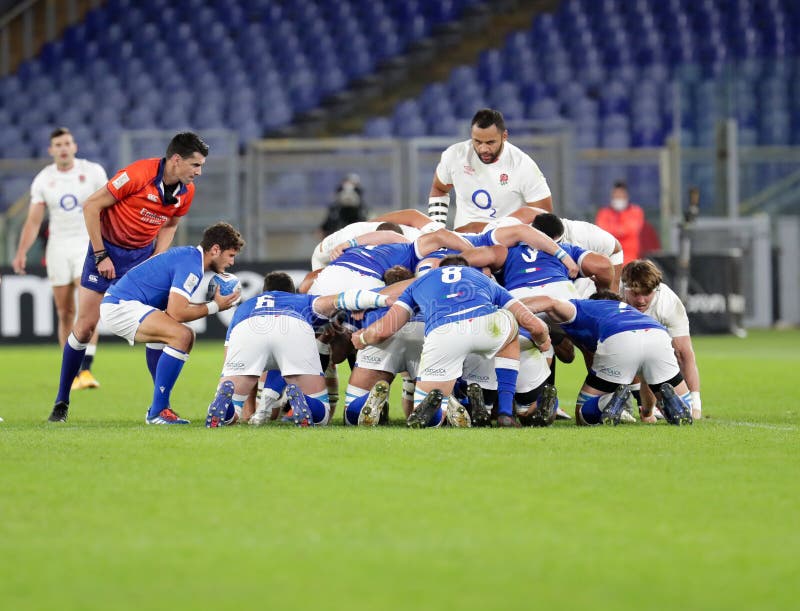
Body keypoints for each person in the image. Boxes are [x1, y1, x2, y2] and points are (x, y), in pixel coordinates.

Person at [47, 131, 210, 422]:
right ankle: (62, 401)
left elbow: (170, 224)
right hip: (106, 252)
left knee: (161, 328)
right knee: (85, 327)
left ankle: (160, 406)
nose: (199, 172)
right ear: (176, 160)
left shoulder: (187, 191)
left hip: (141, 258)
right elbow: (92, 206)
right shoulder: (137, 174)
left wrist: (155, 260)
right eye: (195, 165)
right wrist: (100, 255)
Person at [353, 255, 552, 428]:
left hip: (443, 333)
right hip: (487, 325)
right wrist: (543, 341)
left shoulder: (419, 282)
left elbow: (385, 329)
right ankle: (505, 412)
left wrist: (362, 338)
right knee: (510, 325)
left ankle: (438, 406)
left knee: (425, 412)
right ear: (466, 269)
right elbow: (535, 325)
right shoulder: (483, 279)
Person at [204, 271, 393, 428]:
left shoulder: (244, 307)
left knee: (234, 407)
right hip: (292, 326)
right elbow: (344, 299)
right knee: (321, 415)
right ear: (293, 291)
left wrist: (232, 375)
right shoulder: (302, 300)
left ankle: (226, 404)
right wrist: (385, 300)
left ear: (263, 291)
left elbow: (228, 355)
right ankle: (306, 402)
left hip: (247, 328)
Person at [99, 222, 244, 424]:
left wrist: (211, 304)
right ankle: (157, 411)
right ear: (215, 249)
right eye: (231, 255)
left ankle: (161, 408)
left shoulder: (188, 257)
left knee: (166, 336)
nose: (232, 262)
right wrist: (215, 307)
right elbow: (177, 312)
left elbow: (175, 305)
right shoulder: (192, 265)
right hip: (121, 306)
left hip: (120, 303)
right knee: (183, 335)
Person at [12, 127, 108, 389]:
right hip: (57, 247)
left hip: (86, 244)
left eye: (67, 143)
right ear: (51, 150)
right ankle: (72, 371)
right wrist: (21, 252)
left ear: (74, 146)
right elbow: (33, 221)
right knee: (64, 311)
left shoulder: (93, 172)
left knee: (86, 305)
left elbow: (109, 207)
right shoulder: (44, 179)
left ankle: (86, 370)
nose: (63, 148)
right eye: (58, 144)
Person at [523, 290, 694, 427]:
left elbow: (549, 301)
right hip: (657, 334)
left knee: (582, 414)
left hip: (619, 336)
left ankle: (606, 402)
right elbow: (645, 379)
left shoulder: (583, 307)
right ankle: (677, 406)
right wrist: (647, 413)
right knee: (681, 401)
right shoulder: (630, 310)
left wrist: (512, 307)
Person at [427, 108, 553, 229]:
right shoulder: (455, 155)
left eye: (490, 142)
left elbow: (543, 215)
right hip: (464, 241)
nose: (483, 149)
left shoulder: (523, 165)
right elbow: (439, 188)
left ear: (504, 136)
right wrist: (436, 228)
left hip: (506, 245)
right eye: (477, 141)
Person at [621, 259, 703, 419]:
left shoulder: (668, 303)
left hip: (652, 350)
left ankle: (647, 410)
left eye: (647, 293)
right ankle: (617, 400)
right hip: (619, 346)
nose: (641, 300)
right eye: (635, 293)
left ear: (656, 289)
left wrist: (696, 403)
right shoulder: (613, 296)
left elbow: (684, 354)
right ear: (624, 288)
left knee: (684, 412)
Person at [594, 180, 645, 264]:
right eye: (616, 196)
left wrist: (615, 229)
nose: (618, 198)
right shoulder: (603, 213)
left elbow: (632, 229)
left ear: (626, 196)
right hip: (609, 260)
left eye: (621, 196)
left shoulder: (636, 212)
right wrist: (621, 230)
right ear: (612, 196)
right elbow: (602, 232)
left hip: (630, 260)